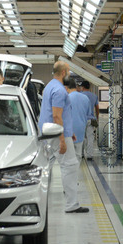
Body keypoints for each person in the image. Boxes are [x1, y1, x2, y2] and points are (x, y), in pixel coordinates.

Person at [38, 61, 88, 214]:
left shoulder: (49, 86)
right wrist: (62, 139)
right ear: (64, 72)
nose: (70, 74)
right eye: (69, 71)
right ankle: (71, 204)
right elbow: (56, 116)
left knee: (48, 165)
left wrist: (69, 130)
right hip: (56, 133)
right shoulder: (59, 90)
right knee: (70, 166)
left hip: (50, 132)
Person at [65, 78, 93, 162]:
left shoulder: (66, 98)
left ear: (66, 87)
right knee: (78, 155)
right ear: (76, 86)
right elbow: (89, 113)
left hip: (68, 132)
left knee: (68, 157)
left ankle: (71, 173)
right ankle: (76, 172)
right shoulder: (85, 98)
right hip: (80, 130)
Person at [79, 81, 99, 160]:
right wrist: (97, 118)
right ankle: (90, 155)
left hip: (81, 119)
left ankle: (81, 154)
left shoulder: (80, 95)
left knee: (81, 137)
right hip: (91, 120)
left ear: (82, 87)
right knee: (90, 137)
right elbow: (97, 108)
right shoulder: (94, 96)